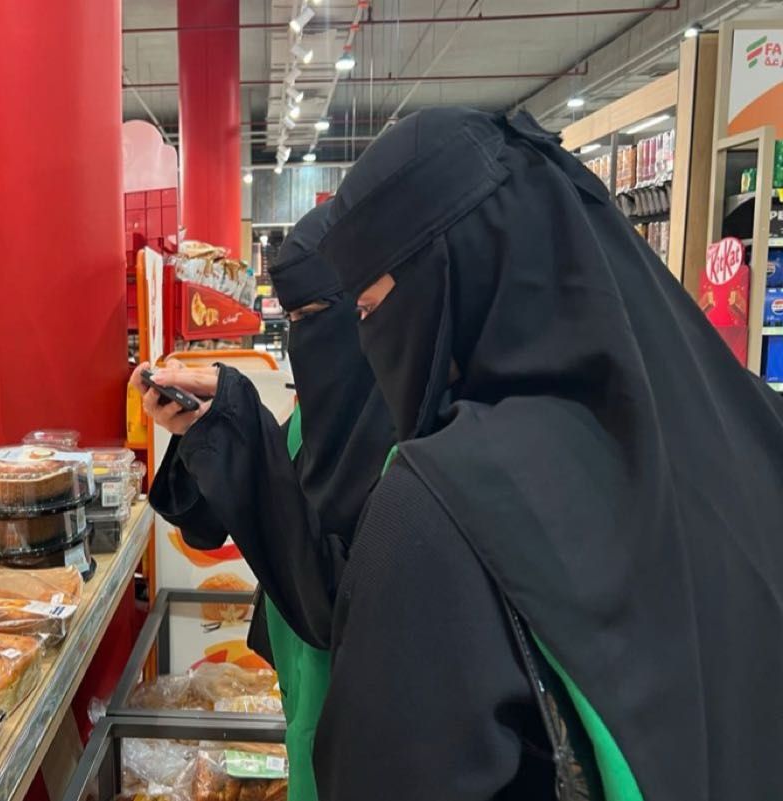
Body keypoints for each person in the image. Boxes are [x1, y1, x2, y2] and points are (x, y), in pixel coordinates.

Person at [307, 106, 783, 800]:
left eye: (372, 308)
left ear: (451, 277)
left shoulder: (435, 507)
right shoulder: (751, 424)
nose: (366, 340)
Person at [137, 201, 394, 801]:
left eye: (318, 315)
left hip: (365, 730)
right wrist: (201, 429)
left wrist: (238, 421)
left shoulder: (404, 445)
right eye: (292, 317)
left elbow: (333, 598)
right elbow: (225, 514)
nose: (305, 337)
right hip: (301, 694)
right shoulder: (313, 421)